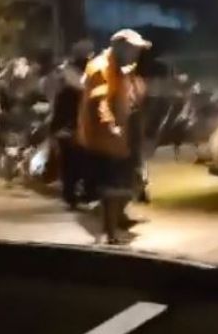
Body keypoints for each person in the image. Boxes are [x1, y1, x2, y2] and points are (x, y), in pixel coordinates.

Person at [77, 29, 151, 245]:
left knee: (126, 182)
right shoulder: (101, 68)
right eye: (133, 49)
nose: (136, 54)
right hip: (104, 140)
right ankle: (110, 233)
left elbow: (128, 95)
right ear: (120, 47)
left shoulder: (121, 68)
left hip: (119, 138)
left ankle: (116, 221)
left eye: (138, 50)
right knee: (112, 186)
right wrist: (113, 127)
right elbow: (100, 103)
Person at [47, 39, 96, 210]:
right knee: (72, 162)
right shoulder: (69, 76)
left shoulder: (77, 75)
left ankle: (79, 194)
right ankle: (73, 195)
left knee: (78, 162)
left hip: (77, 126)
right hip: (71, 126)